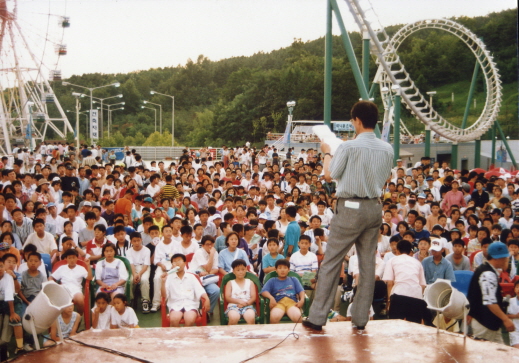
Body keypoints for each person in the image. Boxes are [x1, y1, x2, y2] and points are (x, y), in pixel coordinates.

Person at [303, 101, 393, 332]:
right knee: (367, 264)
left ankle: (317, 316)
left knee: (332, 262)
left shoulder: (347, 147)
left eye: (352, 120)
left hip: (350, 207)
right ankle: (361, 318)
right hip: (374, 207)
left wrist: (327, 153)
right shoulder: (388, 149)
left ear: (358, 121)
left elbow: (329, 175)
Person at [468, 241, 515, 343]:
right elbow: (490, 302)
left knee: (501, 356)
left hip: (490, 324)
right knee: (484, 357)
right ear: (498, 258)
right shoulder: (488, 274)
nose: (507, 259)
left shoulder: (485, 269)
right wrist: (506, 319)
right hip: (485, 325)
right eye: (505, 257)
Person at [383, 240, 427, 324]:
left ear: (397, 250)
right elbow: (422, 285)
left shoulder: (392, 260)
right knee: (414, 328)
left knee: (395, 326)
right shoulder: (417, 262)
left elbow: (390, 283)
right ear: (410, 251)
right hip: (416, 297)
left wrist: (389, 301)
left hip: (399, 295)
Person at [161, 253, 210, 327]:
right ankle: (180, 338)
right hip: (175, 305)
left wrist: (207, 299)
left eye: (179, 260)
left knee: (189, 320)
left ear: (184, 263)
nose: (177, 263)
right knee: (174, 320)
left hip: (190, 305)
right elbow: (164, 296)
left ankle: (185, 337)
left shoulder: (191, 277)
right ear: (172, 265)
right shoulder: (169, 278)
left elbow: (200, 291)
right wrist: (163, 282)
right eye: (174, 262)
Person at [261, 259, 305, 323]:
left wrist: (302, 300)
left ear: (289, 270)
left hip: (292, 303)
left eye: (285, 268)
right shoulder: (272, 280)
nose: (282, 270)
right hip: (278, 303)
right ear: (276, 270)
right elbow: (264, 291)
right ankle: (275, 333)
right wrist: (271, 298)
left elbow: (301, 291)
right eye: (280, 268)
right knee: (274, 317)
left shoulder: (294, 279)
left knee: (297, 317)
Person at [51, 249, 91, 315]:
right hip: (64, 289)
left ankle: (79, 316)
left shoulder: (81, 268)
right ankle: (61, 318)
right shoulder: (62, 268)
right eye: (69, 258)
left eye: (73, 257)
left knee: (80, 300)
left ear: (77, 258)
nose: (72, 260)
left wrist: (88, 265)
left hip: (76, 289)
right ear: (66, 259)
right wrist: (51, 282)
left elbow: (89, 278)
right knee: (56, 300)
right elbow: (52, 277)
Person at [224, 259, 257, 325]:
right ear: (233, 271)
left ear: (246, 270)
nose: (241, 272)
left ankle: (250, 334)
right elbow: (227, 297)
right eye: (238, 270)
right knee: (234, 317)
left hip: (247, 305)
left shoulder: (250, 282)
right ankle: (231, 334)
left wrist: (245, 303)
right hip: (233, 306)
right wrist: (239, 301)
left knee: (250, 317)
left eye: (243, 269)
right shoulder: (230, 283)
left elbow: (253, 297)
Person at [126, 232, 151, 314]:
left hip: (144, 268)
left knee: (144, 280)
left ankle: (145, 301)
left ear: (141, 240)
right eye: (134, 241)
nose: (137, 243)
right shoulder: (128, 251)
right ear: (131, 242)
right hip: (133, 268)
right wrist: (134, 274)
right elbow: (131, 264)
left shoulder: (147, 250)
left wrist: (139, 274)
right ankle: (130, 299)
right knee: (129, 280)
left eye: (138, 240)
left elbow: (146, 265)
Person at [506, 280, 519, 348]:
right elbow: (505, 316)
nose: (518, 289)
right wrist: (515, 316)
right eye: (517, 287)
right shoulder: (510, 301)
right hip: (515, 331)